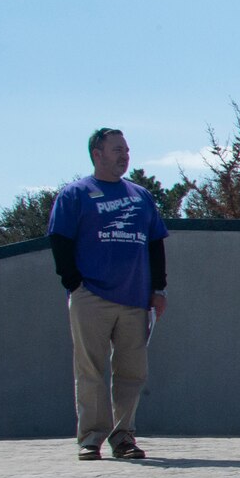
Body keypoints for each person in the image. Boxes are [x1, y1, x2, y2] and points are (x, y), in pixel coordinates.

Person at [46, 127, 168, 460]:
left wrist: (158, 289)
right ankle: (90, 438)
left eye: (127, 149)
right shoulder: (76, 194)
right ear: (97, 154)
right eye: (117, 149)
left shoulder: (141, 196)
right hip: (91, 296)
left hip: (135, 299)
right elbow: (59, 239)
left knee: (132, 371)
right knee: (90, 369)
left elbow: (156, 243)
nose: (125, 155)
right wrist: (73, 282)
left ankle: (124, 437)